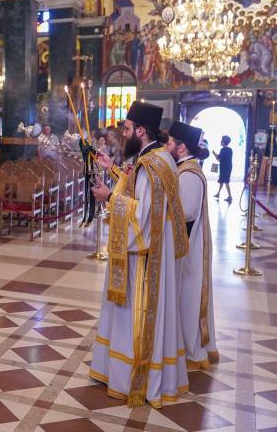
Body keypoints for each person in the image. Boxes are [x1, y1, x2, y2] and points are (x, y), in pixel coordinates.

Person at [90, 101, 189, 408]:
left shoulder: (150, 165)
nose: (124, 133)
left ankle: (135, 378)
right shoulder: (161, 158)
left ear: (141, 131)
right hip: (158, 254)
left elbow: (142, 216)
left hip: (145, 261)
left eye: (128, 128)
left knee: (136, 316)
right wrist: (113, 169)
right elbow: (139, 191)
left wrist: (108, 198)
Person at [166, 121, 218, 370]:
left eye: (170, 143)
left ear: (182, 146)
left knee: (188, 297)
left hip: (188, 249)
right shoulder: (183, 169)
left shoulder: (189, 174)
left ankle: (191, 351)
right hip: (185, 245)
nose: (167, 146)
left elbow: (185, 213)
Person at [213, 136, 233, 202]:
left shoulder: (223, 150)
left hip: (224, 167)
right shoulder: (230, 150)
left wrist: (214, 154)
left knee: (226, 182)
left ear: (224, 142)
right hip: (228, 167)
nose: (220, 142)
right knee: (222, 181)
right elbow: (222, 159)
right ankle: (218, 193)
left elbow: (219, 158)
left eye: (221, 141)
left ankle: (230, 196)